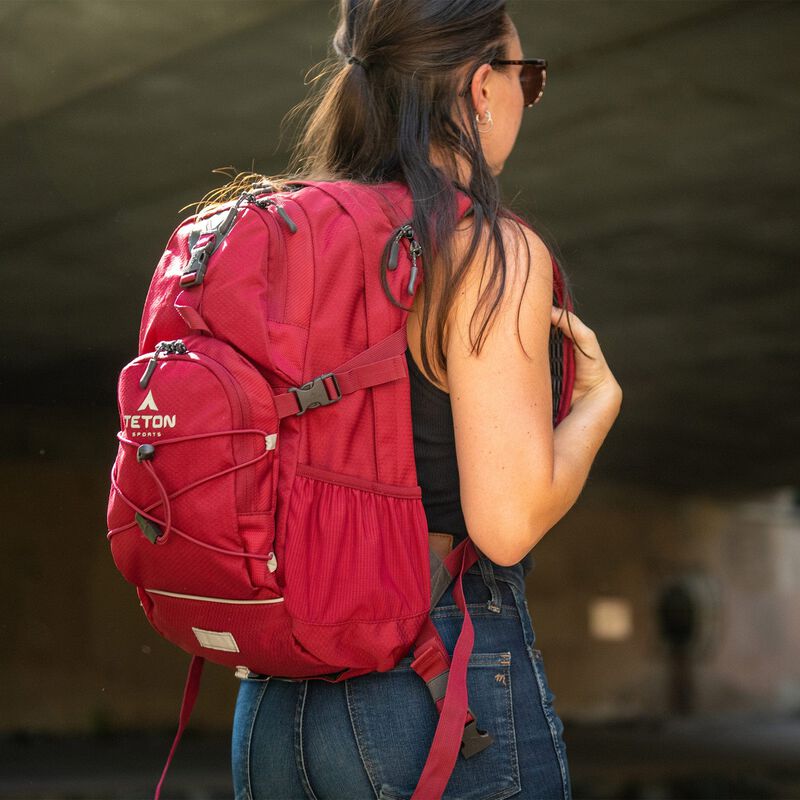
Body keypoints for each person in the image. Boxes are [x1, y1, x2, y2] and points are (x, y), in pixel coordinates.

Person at [221, 1, 623, 797]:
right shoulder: (484, 247)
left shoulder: (289, 238)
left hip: (270, 698)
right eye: (527, 78)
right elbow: (505, 526)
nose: (525, 98)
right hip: (428, 683)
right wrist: (596, 408)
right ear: (481, 88)